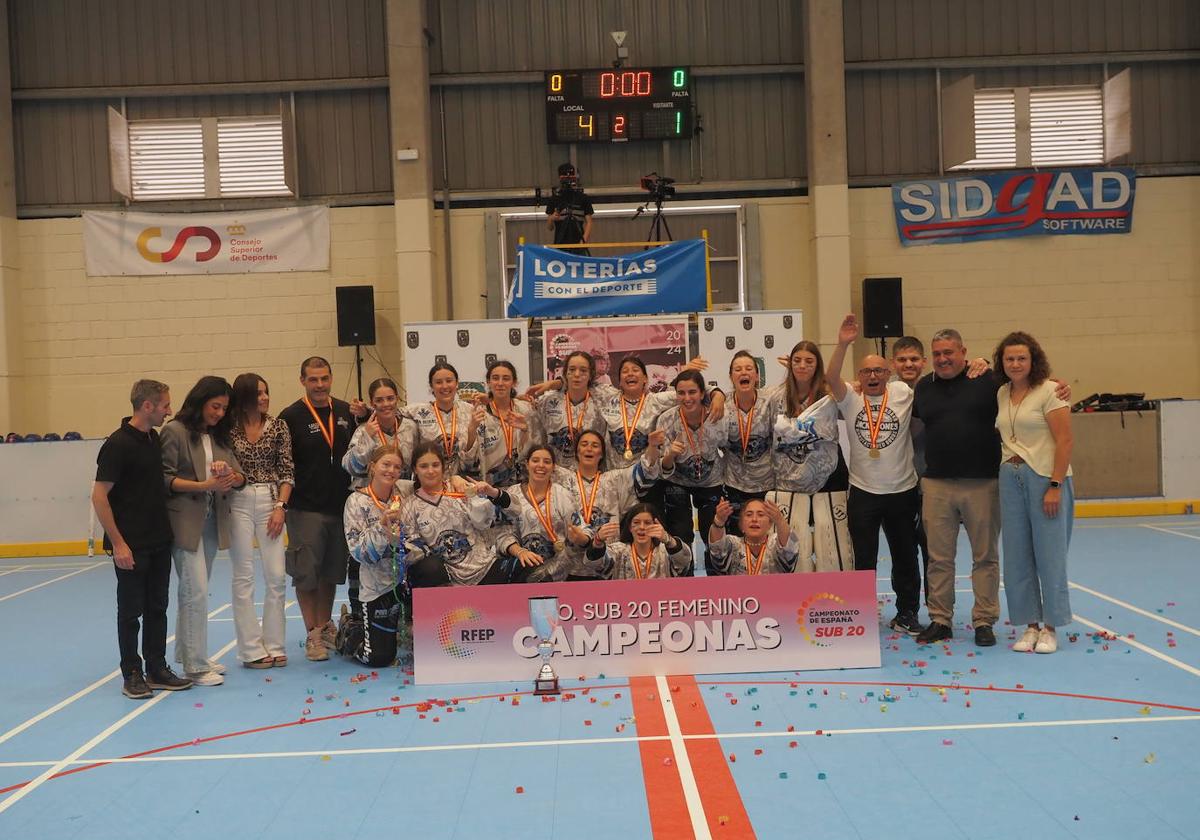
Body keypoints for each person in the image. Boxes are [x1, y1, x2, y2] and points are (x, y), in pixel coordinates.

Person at [914, 330, 1071, 647]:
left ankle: (984, 621)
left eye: (950, 352)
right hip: (938, 484)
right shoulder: (925, 387)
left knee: (986, 557)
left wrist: (1058, 385)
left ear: (964, 351)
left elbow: (1030, 387)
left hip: (984, 483)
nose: (943, 359)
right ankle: (940, 619)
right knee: (939, 558)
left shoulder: (987, 382)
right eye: (937, 353)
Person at [93, 380, 192, 699]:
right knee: (130, 611)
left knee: (157, 607)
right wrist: (118, 543)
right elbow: (99, 497)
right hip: (131, 544)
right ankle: (131, 673)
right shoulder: (117, 445)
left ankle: (157, 667)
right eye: (165, 405)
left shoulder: (154, 439)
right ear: (147, 406)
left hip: (158, 539)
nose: (169, 410)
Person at [828, 315, 923, 636]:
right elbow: (830, 377)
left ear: (888, 374)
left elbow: (926, 374)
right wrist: (843, 343)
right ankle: (861, 613)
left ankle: (907, 612)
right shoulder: (851, 398)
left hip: (902, 490)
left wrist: (978, 362)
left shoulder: (902, 393)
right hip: (864, 492)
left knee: (905, 556)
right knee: (864, 558)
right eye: (866, 371)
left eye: (878, 371)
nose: (872, 376)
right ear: (859, 376)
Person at [160, 376, 246, 685]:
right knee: (194, 591)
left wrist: (229, 475)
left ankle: (188, 653)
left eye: (224, 408)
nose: (220, 413)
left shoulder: (220, 436)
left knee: (194, 590)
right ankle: (195, 667)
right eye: (215, 406)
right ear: (199, 401)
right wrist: (204, 485)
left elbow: (240, 475)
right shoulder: (175, 431)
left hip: (211, 521)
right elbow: (164, 478)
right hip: (184, 522)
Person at [994, 332, 1074, 654]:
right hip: (1009, 477)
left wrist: (1055, 485)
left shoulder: (1052, 391)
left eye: (1021, 358)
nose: (1015, 364)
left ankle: (1051, 628)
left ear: (1033, 360)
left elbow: (1065, 441)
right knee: (1016, 556)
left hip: (1045, 478)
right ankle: (1029, 625)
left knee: (1049, 555)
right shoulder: (1001, 392)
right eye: (1009, 359)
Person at [279, 356, 356, 662]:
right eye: (313, 379)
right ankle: (312, 633)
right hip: (305, 508)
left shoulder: (346, 411)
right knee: (306, 574)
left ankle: (325, 626)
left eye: (324, 378)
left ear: (331, 378)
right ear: (303, 381)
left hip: (341, 507)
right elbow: (284, 465)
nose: (320, 384)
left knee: (330, 573)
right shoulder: (291, 416)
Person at [228, 373, 294, 669]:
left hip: (271, 501)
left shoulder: (279, 426)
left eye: (266, 392)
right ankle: (251, 649)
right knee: (243, 577)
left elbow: (287, 470)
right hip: (237, 501)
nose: (265, 398)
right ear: (243, 397)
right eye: (258, 394)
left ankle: (275, 643)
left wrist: (281, 506)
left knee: (276, 576)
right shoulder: (228, 430)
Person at [766, 342, 848, 573]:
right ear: (790, 364)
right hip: (788, 481)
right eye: (797, 360)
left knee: (830, 542)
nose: (802, 365)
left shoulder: (830, 396)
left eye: (809, 361)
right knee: (794, 543)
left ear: (818, 366)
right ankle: (792, 597)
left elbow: (860, 390)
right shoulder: (775, 397)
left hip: (829, 477)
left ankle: (838, 599)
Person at [552, 428, 663, 579]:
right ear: (576, 451)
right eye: (584, 444)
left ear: (602, 454)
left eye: (595, 445)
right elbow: (536, 464)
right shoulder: (561, 478)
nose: (589, 448)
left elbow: (644, 471)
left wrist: (652, 447)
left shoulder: (614, 479)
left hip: (607, 566)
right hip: (569, 566)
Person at [401, 441, 510, 586]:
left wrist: (477, 493)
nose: (430, 471)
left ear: (443, 467)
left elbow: (486, 521)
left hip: (484, 566)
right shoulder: (409, 505)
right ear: (415, 469)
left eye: (435, 465)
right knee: (429, 567)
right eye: (424, 466)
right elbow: (413, 546)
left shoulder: (460, 487)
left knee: (526, 569)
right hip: (446, 576)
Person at [339, 446, 411, 667]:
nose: (391, 470)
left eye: (397, 467)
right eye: (386, 464)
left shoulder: (406, 492)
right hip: (375, 585)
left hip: (405, 581)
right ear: (372, 467)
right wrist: (381, 527)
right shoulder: (356, 502)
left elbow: (434, 481)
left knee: (417, 646)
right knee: (378, 658)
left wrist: (455, 479)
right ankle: (350, 632)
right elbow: (358, 552)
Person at [656, 370, 726, 566]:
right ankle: (683, 585)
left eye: (692, 392)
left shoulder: (718, 415)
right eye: (681, 393)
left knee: (711, 532)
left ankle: (717, 582)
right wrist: (670, 454)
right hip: (677, 481)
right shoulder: (666, 420)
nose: (687, 398)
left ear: (703, 393)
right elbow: (664, 467)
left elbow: (732, 448)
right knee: (681, 533)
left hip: (711, 481)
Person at [498, 445, 591, 583]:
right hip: (521, 571)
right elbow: (503, 534)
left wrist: (581, 538)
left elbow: (582, 529)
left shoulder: (562, 495)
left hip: (558, 574)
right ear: (527, 464)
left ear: (553, 467)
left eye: (547, 462)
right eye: (535, 460)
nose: (541, 465)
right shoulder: (512, 494)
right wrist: (520, 552)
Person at [720, 351, 774, 540]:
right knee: (736, 540)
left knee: (768, 539)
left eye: (749, 368)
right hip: (734, 484)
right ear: (731, 376)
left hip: (767, 483)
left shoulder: (770, 401)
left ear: (757, 376)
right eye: (738, 369)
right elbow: (692, 396)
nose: (744, 372)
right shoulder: (722, 404)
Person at [527, 350, 608, 470]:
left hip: (590, 476)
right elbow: (538, 438)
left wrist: (557, 383)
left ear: (591, 374)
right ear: (565, 373)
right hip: (556, 476)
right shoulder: (547, 401)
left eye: (583, 370)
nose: (577, 374)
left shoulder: (603, 399)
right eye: (572, 370)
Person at [402, 362, 482, 479]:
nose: (444, 386)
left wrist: (472, 432)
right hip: (428, 483)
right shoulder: (417, 411)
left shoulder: (470, 411)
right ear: (431, 386)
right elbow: (388, 411)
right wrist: (364, 414)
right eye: (438, 382)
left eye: (449, 381)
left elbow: (472, 462)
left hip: (462, 482)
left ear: (457, 383)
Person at [476, 360, 543, 489]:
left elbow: (538, 450)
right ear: (488, 382)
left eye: (506, 378)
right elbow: (472, 459)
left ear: (514, 382)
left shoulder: (527, 410)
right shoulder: (480, 414)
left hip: (525, 488)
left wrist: (525, 431)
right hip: (492, 489)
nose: (500, 383)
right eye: (495, 378)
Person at [585, 502, 692, 579]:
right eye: (636, 522)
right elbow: (594, 565)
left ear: (656, 526)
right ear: (630, 527)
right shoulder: (618, 551)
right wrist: (598, 541)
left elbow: (685, 562)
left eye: (647, 523)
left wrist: (668, 540)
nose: (642, 527)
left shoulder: (664, 551)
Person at [344, 378, 417, 489]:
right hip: (372, 496)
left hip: (404, 493)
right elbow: (350, 468)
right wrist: (367, 439)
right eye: (379, 400)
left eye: (390, 398)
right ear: (372, 403)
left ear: (397, 398)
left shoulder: (410, 427)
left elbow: (418, 462)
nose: (386, 404)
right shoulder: (364, 430)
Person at [707, 497, 801, 574]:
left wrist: (780, 520)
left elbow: (789, 552)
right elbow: (717, 554)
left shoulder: (775, 542)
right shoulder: (733, 544)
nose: (754, 519)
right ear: (741, 524)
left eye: (761, 515)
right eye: (749, 515)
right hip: (740, 596)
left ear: (770, 524)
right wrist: (719, 520)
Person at [545, 162, 594, 252]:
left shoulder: (583, 198)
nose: (568, 179)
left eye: (570, 176)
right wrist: (552, 218)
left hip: (579, 243)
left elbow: (589, 222)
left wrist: (583, 241)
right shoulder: (554, 199)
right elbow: (549, 227)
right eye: (565, 176)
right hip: (560, 245)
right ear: (560, 177)